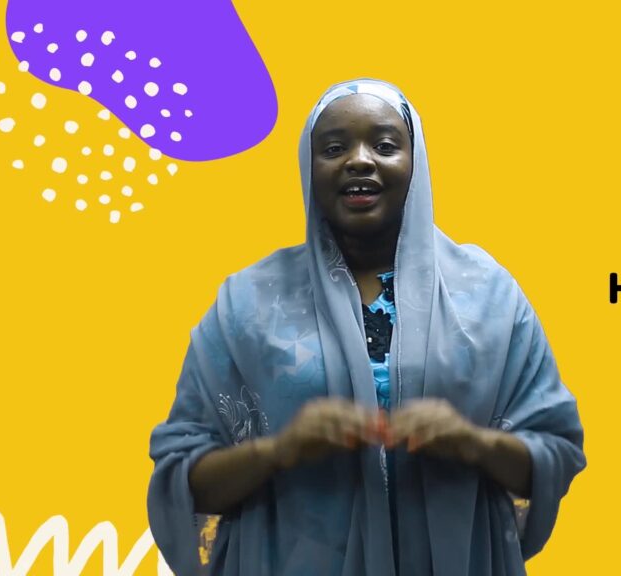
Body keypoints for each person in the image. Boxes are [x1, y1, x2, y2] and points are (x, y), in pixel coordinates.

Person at [147, 79, 586, 576]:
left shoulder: (489, 295)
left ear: (415, 163)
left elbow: (556, 451)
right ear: (308, 167)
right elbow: (184, 477)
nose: (359, 160)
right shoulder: (247, 303)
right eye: (334, 148)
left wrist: (472, 442)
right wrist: (280, 450)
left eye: (385, 145)